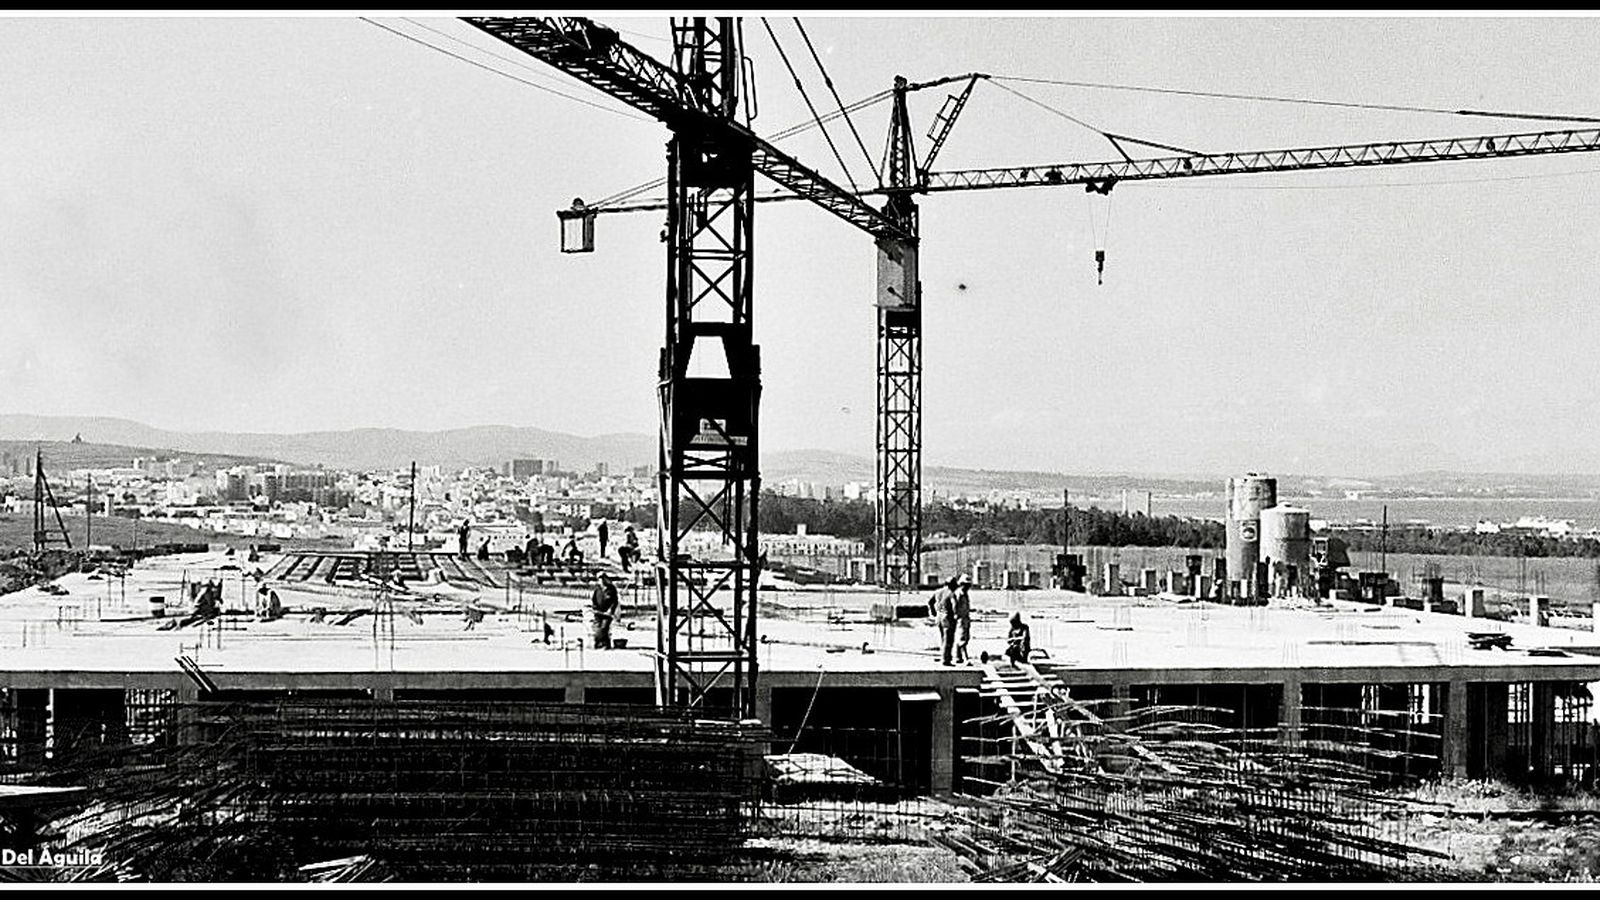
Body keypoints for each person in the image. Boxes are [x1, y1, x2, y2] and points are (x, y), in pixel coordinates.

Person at [929, 576, 959, 666]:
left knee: (943, 638)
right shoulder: (951, 593)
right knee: (948, 639)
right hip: (947, 617)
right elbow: (954, 605)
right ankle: (946, 659)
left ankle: (943, 656)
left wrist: (933, 612)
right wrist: (956, 615)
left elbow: (930, 602)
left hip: (939, 617)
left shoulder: (938, 592)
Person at [590, 573, 619, 649]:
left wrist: (611, 610)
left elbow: (614, 601)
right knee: (596, 628)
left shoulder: (611, 589)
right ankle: (599, 642)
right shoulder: (597, 589)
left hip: (607, 613)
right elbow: (594, 600)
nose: (602, 580)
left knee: (604, 627)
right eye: (600, 579)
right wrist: (594, 608)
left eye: (603, 578)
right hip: (598, 613)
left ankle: (605, 644)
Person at [954, 574, 974, 665]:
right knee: (962, 638)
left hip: (965, 618)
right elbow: (955, 606)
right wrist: (956, 616)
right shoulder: (959, 594)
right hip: (961, 618)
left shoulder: (965, 594)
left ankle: (958, 657)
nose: (968, 587)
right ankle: (965, 658)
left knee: (964, 637)